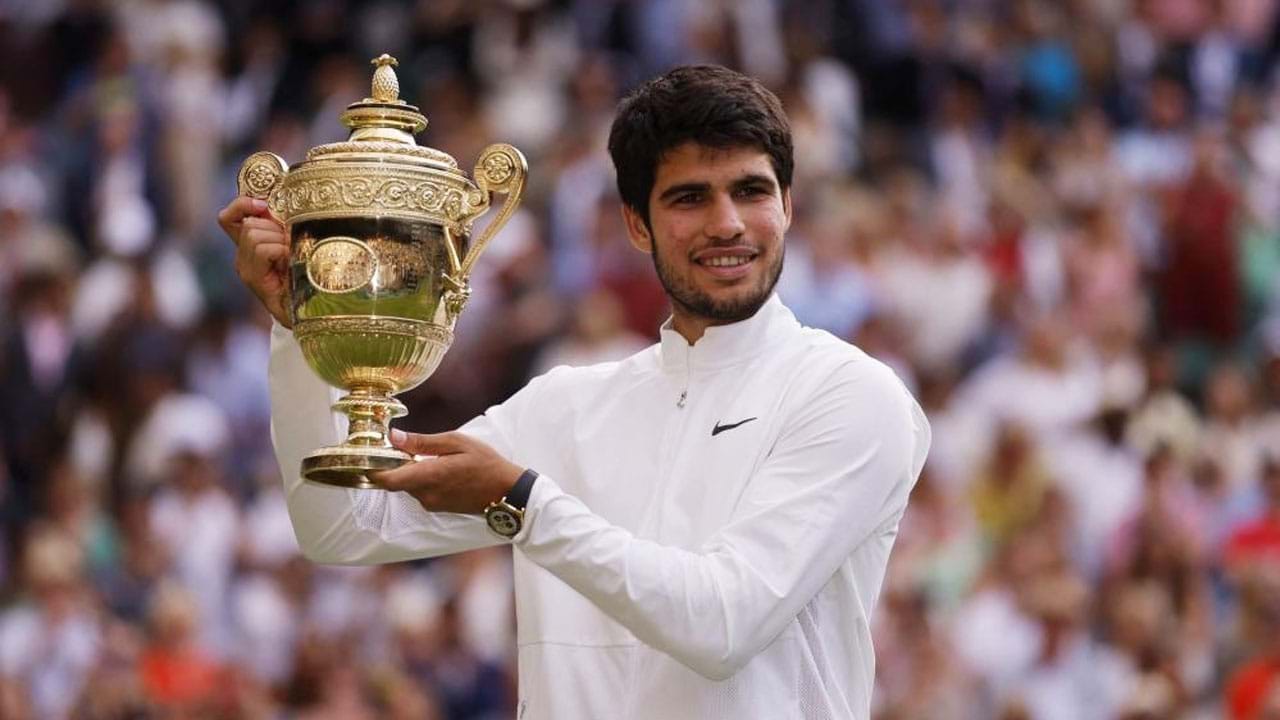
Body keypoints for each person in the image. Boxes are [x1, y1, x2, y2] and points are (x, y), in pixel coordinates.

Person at [218, 64, 930, 719]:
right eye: (690, 197)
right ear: (635, 224)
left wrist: (524, 505)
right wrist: (301, 325)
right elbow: (342, 527)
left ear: (788, 207)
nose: (727, 224)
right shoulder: (567, 405)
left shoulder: (851, 395)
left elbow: (723, 623)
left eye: (751, 190)